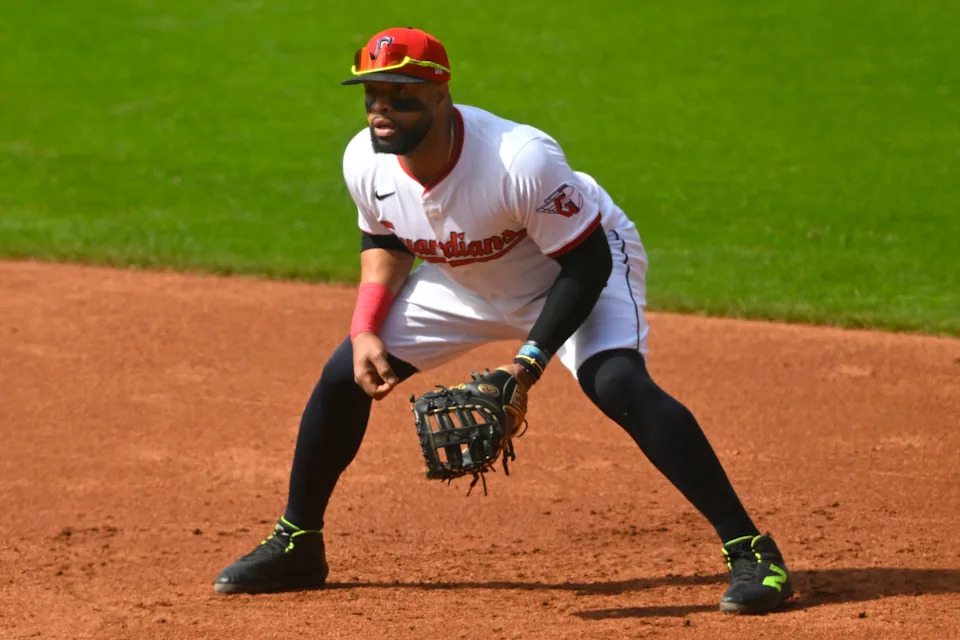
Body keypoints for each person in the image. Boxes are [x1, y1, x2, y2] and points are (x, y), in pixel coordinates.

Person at [213, 27, 794, 614]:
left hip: (568, 267)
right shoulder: (365, 158)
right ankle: (297, 542)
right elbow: (384, 240)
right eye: (373, 97)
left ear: (442, 96)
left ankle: (751, 550)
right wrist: (364, 329)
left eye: (402, 95)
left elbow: (586, 261)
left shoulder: (518, 159)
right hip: (462, 278)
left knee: (618, 383)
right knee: (344, 375)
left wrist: (528, 363)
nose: (382, 111)